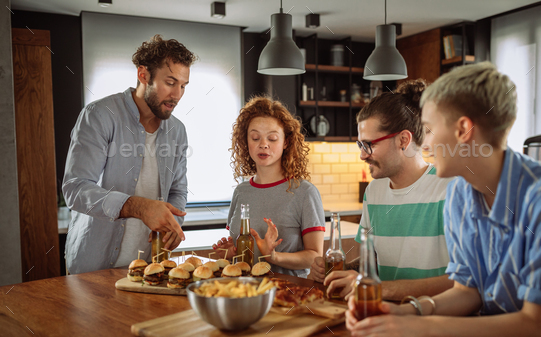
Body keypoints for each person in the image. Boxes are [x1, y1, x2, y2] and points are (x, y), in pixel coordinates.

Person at [346, 62, 541, 337]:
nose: (426, 144)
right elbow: (468, 291)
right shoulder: (461, 193)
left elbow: (535, 326)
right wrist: (407, 311)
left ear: (463, 130)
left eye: (429, 129)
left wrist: (421, 327)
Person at [63, 35, 196, 274]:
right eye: (170, 82)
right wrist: (139, 207)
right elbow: (75, 188)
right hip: (92, 268)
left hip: (148, 268)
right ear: (143, 75)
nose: (177, 94)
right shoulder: (99, 116)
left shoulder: (178, 131)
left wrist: (173, 224)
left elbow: (177, 190)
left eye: (183, 85)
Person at [309, 80, 454, 301]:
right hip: (382, 315)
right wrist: (342, 272)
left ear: (403, 140)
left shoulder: (449, 188)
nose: (362, 155)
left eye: (369, 145)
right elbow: (371, 262)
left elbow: (464, 282)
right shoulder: (374, 191)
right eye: (360, 145)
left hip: (436, 323)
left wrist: (381, 290)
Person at [213, 96, 325, 278]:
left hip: (288, 295)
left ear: (286, 142)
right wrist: (231, 253)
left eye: (272, 138)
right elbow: (241, 253)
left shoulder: (305, 192)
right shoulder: (241, 192)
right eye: (255, 137)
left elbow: (315, 256)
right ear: (245, 141)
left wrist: (274, 257)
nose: (263, 144)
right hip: (243, 292)